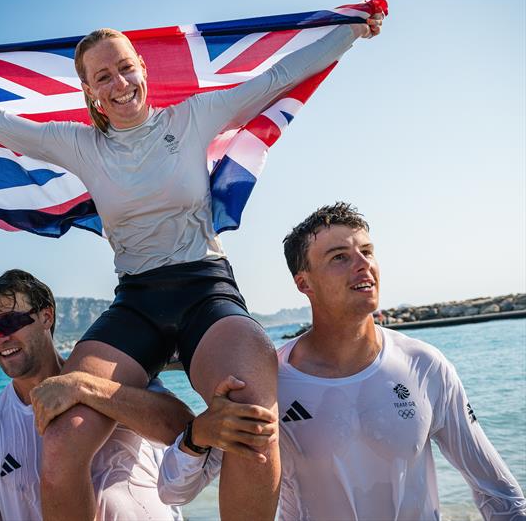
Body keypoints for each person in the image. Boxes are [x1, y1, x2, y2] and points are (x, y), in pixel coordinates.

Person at [0, 11, 384, 521]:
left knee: (252, 422)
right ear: (90, 91)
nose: (119, 83)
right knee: (61, 437)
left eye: (126, 68)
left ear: (143, 71)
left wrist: (350, 32)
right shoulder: (82, 145)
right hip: (137, 301)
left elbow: (275, 78)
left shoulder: (192, 118)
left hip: (205, 290)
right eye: (103, 76)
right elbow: (2, 126)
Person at [157, 202, 526, 520]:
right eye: (340, 258)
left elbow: (498, 492)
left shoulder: (425, 366)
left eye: (367, 251)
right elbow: (173, 492)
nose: (363, 265)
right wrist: (198, 433)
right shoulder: (272, 381)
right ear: (304, 283)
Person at [0, 268, 197, 520]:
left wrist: (85, 389)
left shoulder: (109, 372)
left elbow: (186, 428)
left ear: (46, 316)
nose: (0, 339)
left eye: (9, 323)